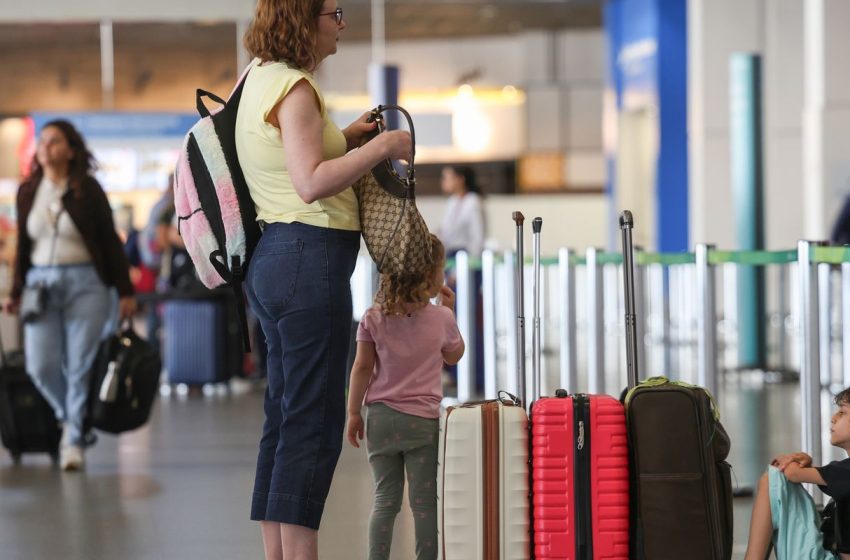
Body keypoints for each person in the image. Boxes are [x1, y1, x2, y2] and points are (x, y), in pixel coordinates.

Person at [235, 2, 412, 558]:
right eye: (334, 12)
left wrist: (348, 137)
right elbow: (310, 182)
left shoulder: (258, 79)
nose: (341, 22)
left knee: (285, 416)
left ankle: (279, 553)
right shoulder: (296, 89)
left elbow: (292, 157)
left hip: (274, 261)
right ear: (302, 19)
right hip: (308, 261)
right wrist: (383, 146)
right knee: (312, 422)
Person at [6, 119, 136, 471]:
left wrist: (125, 290)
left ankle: (73, 441)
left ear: (71, 150)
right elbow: (23, 249)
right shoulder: (28, 191)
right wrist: (16, 291)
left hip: (87, 283)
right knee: (40, 365)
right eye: (42, 141)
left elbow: (109, 242)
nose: (45, 147)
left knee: (79, 366)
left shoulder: (87, 189)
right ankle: (72, 419)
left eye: (54, 141)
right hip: (40, 285)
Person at [346, 235, 464, 560]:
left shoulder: (373, 317)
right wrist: (449, 312)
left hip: (380, 420)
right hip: (421, 424)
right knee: (423, 504)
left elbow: (361, 367)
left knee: (385, 500)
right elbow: (454, 356)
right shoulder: (441, 318)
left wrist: (353, 413)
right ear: (430, 276)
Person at [744, 388, 850, 560]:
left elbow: (790, 473)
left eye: (842, 412)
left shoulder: (845, 471)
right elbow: (832, 476)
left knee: (773, 480)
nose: (833, 418)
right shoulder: (842, 472)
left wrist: (798, 461)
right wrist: (808, 465)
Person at [438, 165, 485, 260]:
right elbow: (446, 231)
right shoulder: (452, 201)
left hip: (466, 256)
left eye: (447, 178)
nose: (443, 182)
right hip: (450, 253)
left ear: (460, 179)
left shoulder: (473, 201)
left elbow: (478, 236)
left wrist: (472, 260)